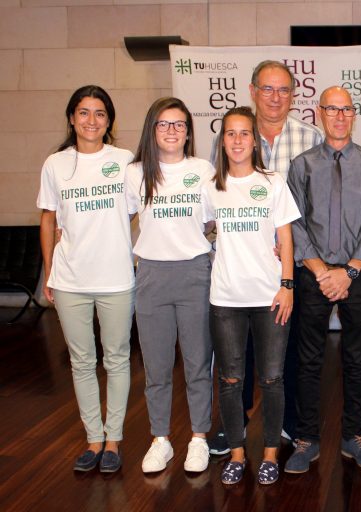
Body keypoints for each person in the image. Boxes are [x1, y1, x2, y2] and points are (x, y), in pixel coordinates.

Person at [208, 59, 323, 456]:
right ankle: (234, 426)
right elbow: (214, 207)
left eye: (283, 90)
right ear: (253, 91)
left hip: (295, 263)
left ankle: (287, 425)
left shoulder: (310, 138)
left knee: (287, 352)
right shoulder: (230, 137)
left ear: (293, 96)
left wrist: (291, 245)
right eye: (267, 89)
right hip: (240, 273)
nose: (275, 97)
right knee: (236, 358)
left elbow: (316, 206)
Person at [285, 86, 361, 474]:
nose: (340, 116)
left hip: (356, 275)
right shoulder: (302, 165)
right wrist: (320, 270)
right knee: (309, 359)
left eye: (346, 110)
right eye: (332, 109)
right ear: (319, 112)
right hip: (314, 274)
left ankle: (354, 436)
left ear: (354, 115)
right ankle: (307, 437)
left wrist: (349, 271)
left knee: (357, 358)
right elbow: (294, 220)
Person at [37, 85, 135, 473]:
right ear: (71, 118)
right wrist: (49, 270)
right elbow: (48, 218)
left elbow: (130, 213)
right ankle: (93, 439)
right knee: (81, 362)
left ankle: (114, 440)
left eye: (99, 113)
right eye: (83, 112)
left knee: (117, 359)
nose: (91, 120)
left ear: (109, 121)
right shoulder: (55, 164)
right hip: (69, 279)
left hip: (115, 278)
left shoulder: (125, 160)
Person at [203, 107, 300, 485]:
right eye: (231, 133)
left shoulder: (273, 182)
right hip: (225, 298)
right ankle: (238, 455)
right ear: (223, 140)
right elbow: (202, 228)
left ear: (254, 141)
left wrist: (287, 285)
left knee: (272, 380)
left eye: (245, 133)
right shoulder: (210, 187)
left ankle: (271, 454)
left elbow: (286, 238)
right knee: (229, 380)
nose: (238, 140)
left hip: (269, 297)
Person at [125, 97, 215, 474]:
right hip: (151, 276)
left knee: (197, 363)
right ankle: (160, 439)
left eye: (179, 124)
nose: (172, 131)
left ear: (189, 131)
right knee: (158, 366)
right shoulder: (134, 173)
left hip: (194, 273)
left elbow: (215, 222)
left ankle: (199, 439)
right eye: (164, 124)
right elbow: (118, 220)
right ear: (152, 129)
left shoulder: (203, 170)